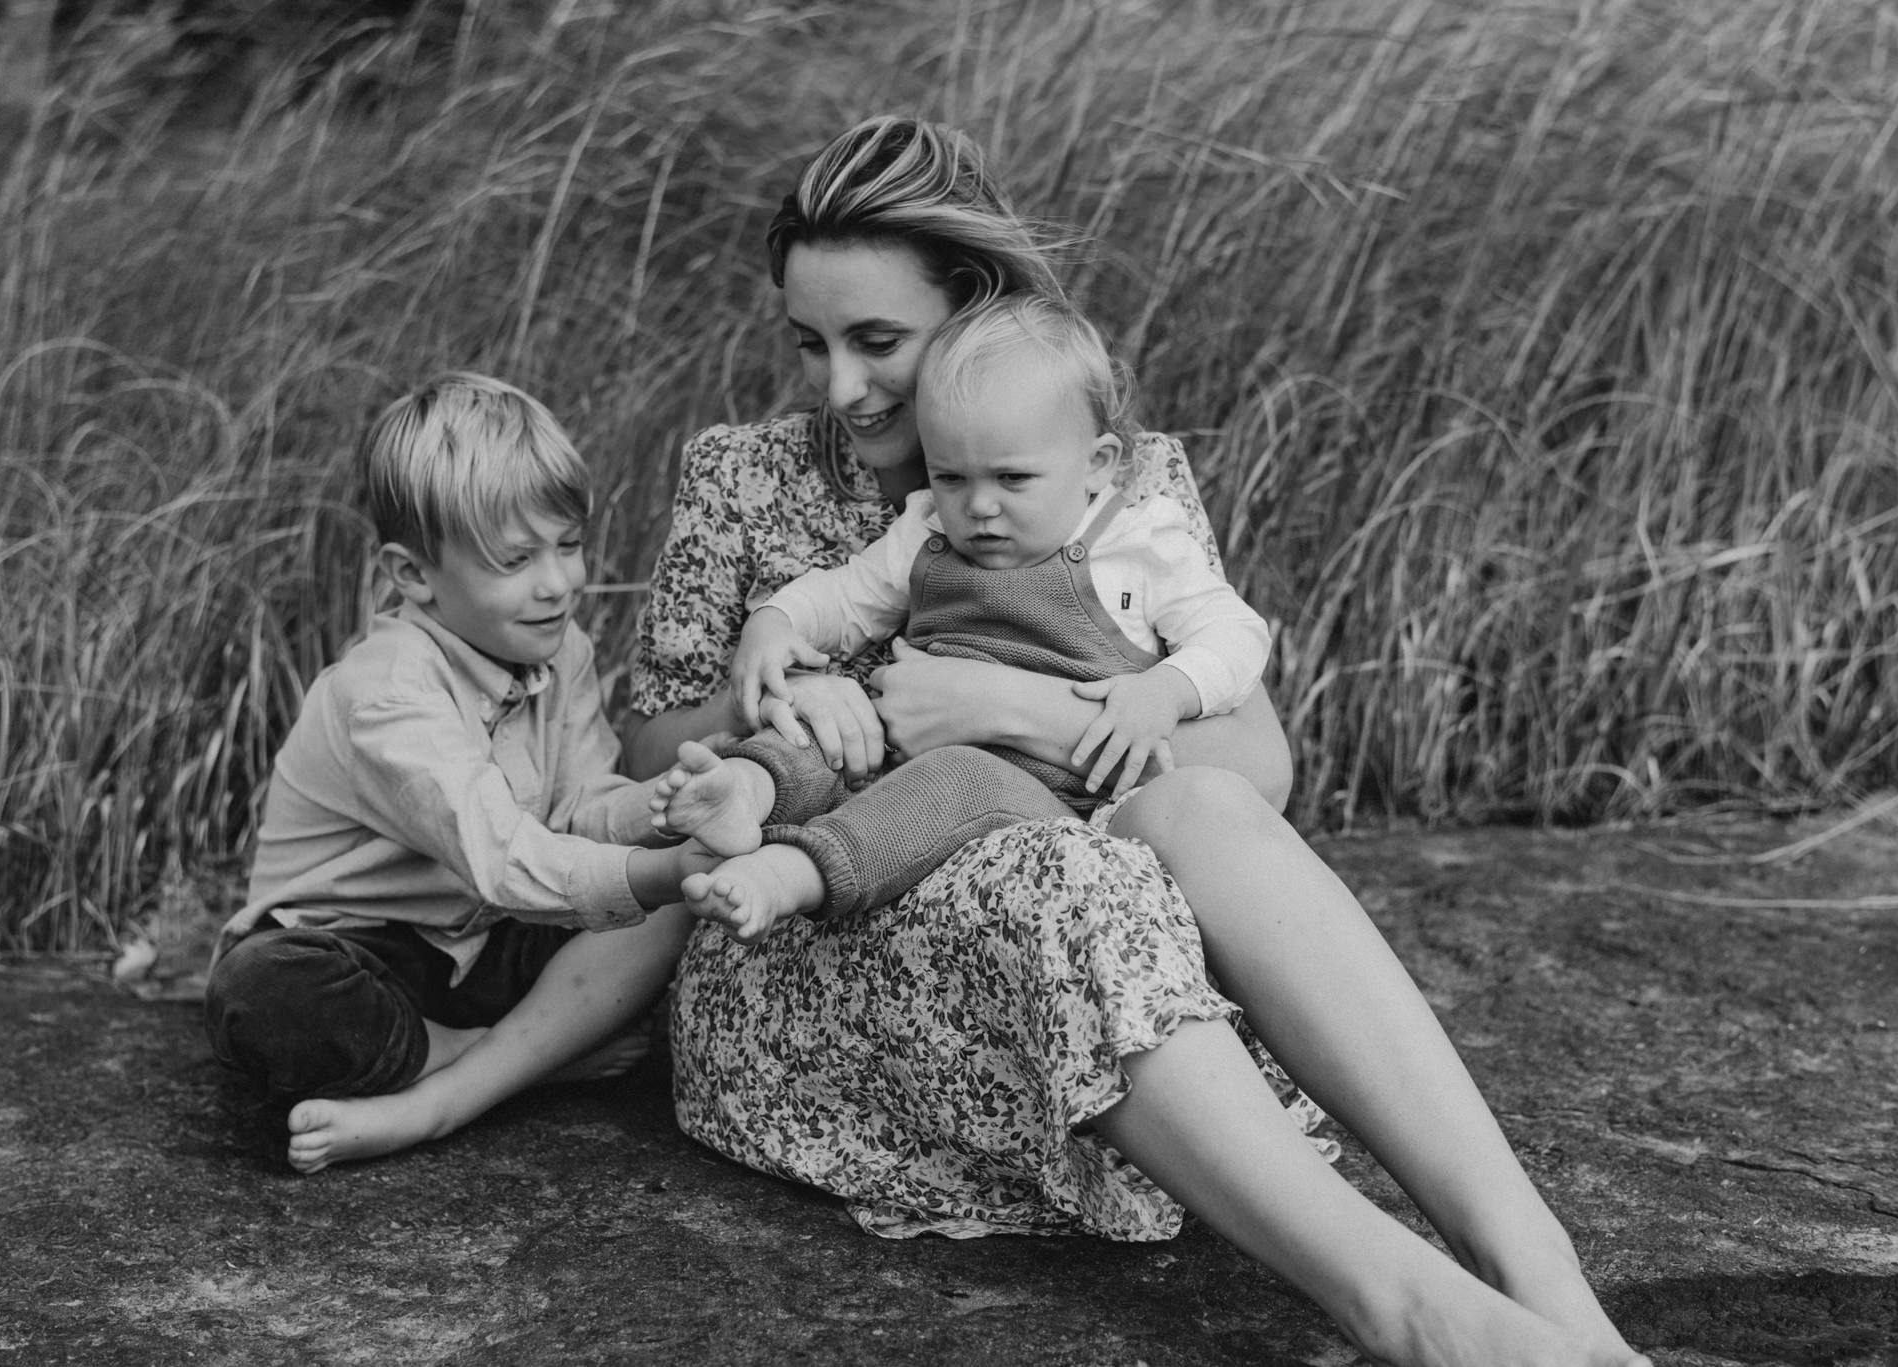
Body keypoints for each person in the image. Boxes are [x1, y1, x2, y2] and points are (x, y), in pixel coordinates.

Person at [622, 117, 1651, 1367]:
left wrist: (1012, 712)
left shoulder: (1122, 478)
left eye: (877, 340)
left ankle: (1534, 1270)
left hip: (1080, 898)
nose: (841, 388)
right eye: (811, 342)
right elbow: (646, 759)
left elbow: (1253, 764)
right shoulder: (737, 473)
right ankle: (1410, 1310)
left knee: (1198, 819)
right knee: (1072, 874)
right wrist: (768, 701)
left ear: (974, 311)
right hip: (821, 947)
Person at [650, 293, 1272, 942]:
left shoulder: (1138, 543)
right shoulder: (923, 529)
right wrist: (774, 622)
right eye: (951, 477)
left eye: (1012, 479)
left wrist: (1166, 690)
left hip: (1053, 807)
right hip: (906, 763)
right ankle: (742, 791)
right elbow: (840, 597)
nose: (978, 507)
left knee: (958, 777)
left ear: (1097, 466)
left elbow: (1235, 633)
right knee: (821, 729)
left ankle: (790, 874)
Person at [204, 373, 702, 1175]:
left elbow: (581, 804)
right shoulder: (389, 693)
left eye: (568, 544)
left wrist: (662, 809)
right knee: (262, 995)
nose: (559, 582)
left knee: (670, 901)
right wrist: (654, 866)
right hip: (360, 951)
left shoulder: (555, 645)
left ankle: (463, 1075)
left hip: (488, 939)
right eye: (515, 559)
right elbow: (501, 857)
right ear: (413, 576)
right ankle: (489, 1061)